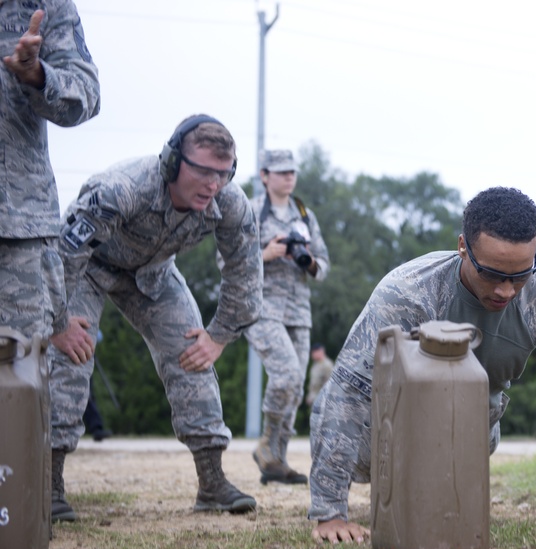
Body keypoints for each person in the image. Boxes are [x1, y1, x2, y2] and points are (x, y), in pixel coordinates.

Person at [309, 186, 536, 544]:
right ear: (462, 247)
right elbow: (348, 392)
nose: (505, 290)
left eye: (520, 275)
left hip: (475, 428)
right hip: (387, 431)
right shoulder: (406, 293)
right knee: (337, 401)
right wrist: (329, 511)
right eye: (491, 273)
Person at [47, 115, 264, 522]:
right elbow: (63, 255)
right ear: (171, 161)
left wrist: (219, 336)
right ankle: (50, 484)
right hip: (86, 269)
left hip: (153, 274)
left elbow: (246, 273)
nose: (212, 184)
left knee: (193, 353)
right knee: (71, 358)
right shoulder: (121, 189)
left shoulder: (230, 203)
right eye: (201, 170)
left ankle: (213, 483)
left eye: (222, 173)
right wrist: (56, 322)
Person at [0, 3, 100, 342]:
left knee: (18, 378)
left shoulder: (47, 6)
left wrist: (38, 75)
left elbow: (86, 94)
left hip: (16, 232)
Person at [245, 149, 330, 485]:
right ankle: (266, 442)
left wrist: (307, 261)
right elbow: (229, 263)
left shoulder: (304, 214)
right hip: (262, 308)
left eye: (292, 172)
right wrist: (265, 254)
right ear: (264, 175)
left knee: (294, 390)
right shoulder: (250, 211)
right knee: (286, 376)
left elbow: (322, 266)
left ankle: (276, 463)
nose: (288, 177)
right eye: (281, 172)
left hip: (299, 311)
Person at [305, 343, 334, 408]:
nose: (312, 355)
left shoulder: (327, 365)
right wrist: (310, 397)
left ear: (321, 351)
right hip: (314, 400)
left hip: (323, 401)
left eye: (314, 352)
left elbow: (330, 384)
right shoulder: (315, 365)